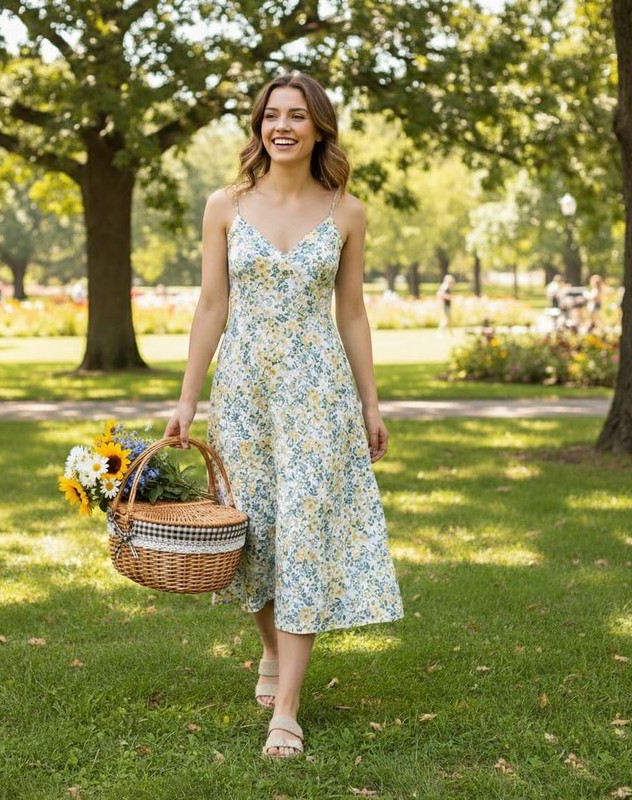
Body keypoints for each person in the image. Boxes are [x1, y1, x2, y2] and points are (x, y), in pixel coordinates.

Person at [164, 73, 403, 759]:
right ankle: (271, 651)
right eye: (273, 115)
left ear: (319, 127)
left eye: (299, 116)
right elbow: (211, 306)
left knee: (303, 538)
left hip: (318, 396)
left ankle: (288, 713)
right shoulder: (225, 206)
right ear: (259, 126)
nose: (285, 127)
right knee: (257, 539)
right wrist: (188, 399)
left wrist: (370, 403)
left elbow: (352, 312)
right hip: (243, 394)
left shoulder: (347, 212)